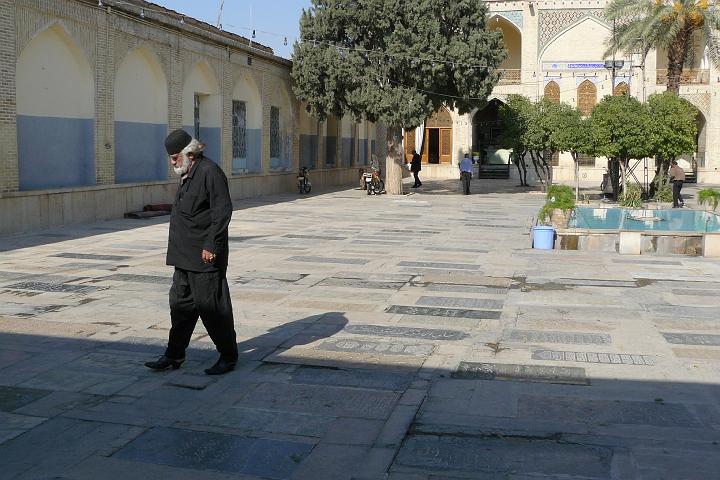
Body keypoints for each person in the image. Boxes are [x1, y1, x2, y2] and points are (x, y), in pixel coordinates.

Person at [145, 129, 238, 375]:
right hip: (183, 257)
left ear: (190, 153)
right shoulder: (188, 173)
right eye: (171, 158)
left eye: (175, 157)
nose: (172, 162)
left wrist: (212, 245)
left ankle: (228, 357)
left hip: (204, 257)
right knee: (180, 307)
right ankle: (174, 355)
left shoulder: (210, 172)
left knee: (213, 309)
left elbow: (222, 212)